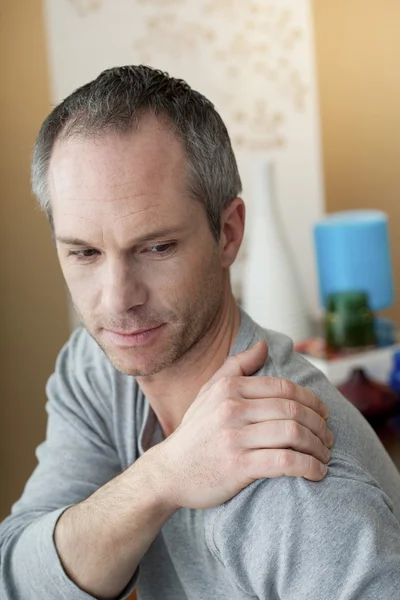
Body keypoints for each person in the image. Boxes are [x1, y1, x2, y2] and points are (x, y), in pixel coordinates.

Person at [1, 65, 399, 600]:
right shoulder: (98, 365)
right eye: (84, 253)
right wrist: (164, 475)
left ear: (228, 233)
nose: (118, 299)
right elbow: (17, 576)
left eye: (157, 247)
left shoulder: (295, 481)